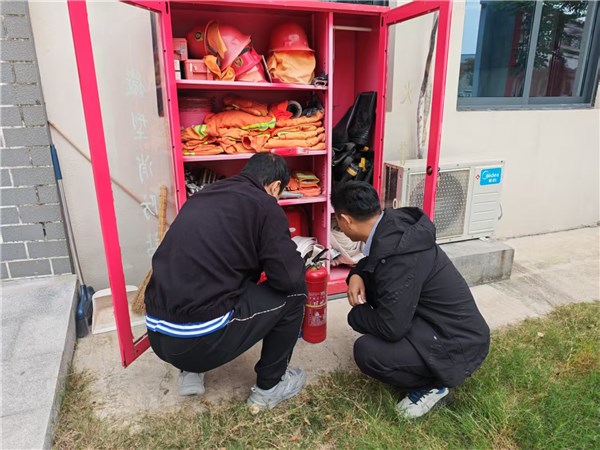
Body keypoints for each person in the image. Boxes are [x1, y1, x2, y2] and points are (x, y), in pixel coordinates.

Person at [144, 153, 307, 410]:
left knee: (210, 277)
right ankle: (270, 388)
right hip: (196, 342)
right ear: (276, 187)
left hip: (157, 333)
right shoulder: (265, 205)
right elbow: (288, 278)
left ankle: (190, 372)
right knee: (296, 293)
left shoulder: (202, 196)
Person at [330, 181, 490, 419]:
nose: (338, 225)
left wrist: (356, 316)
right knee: (374, 289)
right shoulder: (393, 227)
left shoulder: (398, 257)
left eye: (336, 220)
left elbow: (391, 328)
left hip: (456, 344)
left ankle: (432, 387)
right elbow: (374, 263)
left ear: (346, 220)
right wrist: (356, 274)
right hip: (445, 326)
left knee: (367, 352)